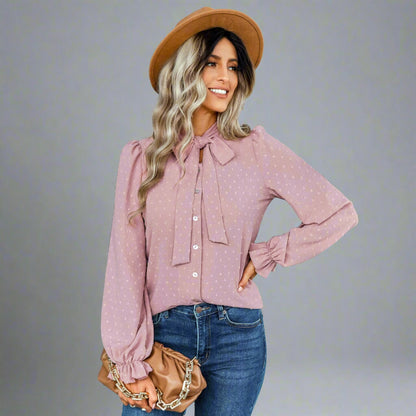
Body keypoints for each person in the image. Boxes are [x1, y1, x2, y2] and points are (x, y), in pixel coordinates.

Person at [101, 7, 358, 416]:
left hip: (238, 336)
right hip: (161, 337)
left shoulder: (257, 150)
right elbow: (125, 264)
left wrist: (268, 254)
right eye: (212, 64)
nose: (226, 77)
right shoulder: (142, 159)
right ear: (186, 71)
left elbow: (338, 213)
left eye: (233, 66)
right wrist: (127, 358)